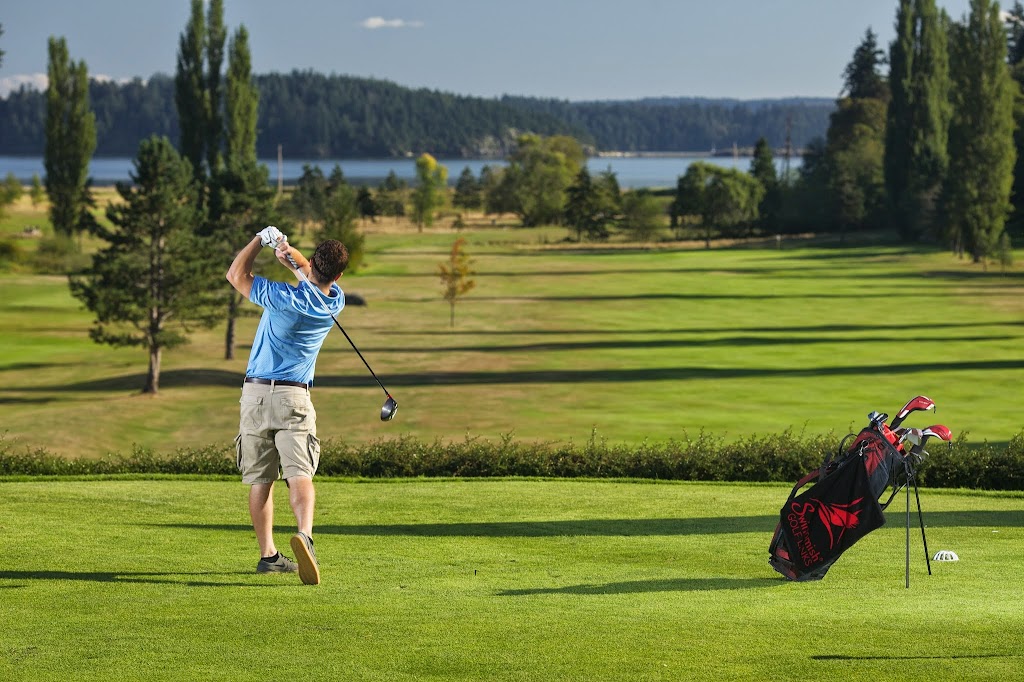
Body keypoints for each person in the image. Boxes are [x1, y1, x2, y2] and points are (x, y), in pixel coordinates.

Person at [226, 226, 349, 586]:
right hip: (294, 397)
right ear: (338, 275)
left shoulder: (280, 297)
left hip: (255, 394)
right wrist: (287, 252)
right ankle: (305, 536)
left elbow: (237, 275)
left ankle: (268, 555)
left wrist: (259, 241)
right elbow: (312, 276)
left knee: (261, 478)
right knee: (300, 473)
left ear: (312, 262)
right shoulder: (334, 301)